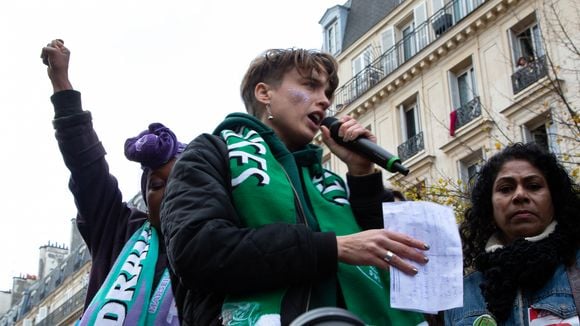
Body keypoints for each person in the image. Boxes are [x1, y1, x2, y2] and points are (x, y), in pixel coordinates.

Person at [160, 48, 431, 325]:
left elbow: (393, 258)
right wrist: (331, 248)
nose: (324, 101)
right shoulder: (210, 153)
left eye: (327, 93)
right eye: (311, 86)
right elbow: (196, 249)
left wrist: (362, 174)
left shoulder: (330, 182)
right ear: (264, 93)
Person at [41, 39, 181, 325]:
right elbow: (87, 169)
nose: (168, 193)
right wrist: (62, 85)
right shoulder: (119, 230)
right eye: (156, 185)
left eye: (180, 181)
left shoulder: (218, 244)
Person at [444, 142, 580, 325]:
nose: (519, 195)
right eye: (506, 189)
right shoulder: (460, 292)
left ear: (554, 198)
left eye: (533, 186)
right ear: (489, 206)